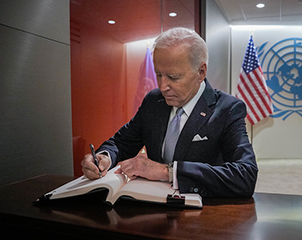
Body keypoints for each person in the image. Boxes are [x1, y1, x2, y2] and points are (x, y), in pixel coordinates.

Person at [81, 27, 258, 197]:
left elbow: (245, 176)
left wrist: (166, 172)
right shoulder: (153, 101)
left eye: (173, 77)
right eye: (159, 74)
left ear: (201, 72)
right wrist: (104, 158)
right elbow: (122, 142)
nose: (163, 86)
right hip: (151, 207)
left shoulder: (228, 109)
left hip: (201, 214)